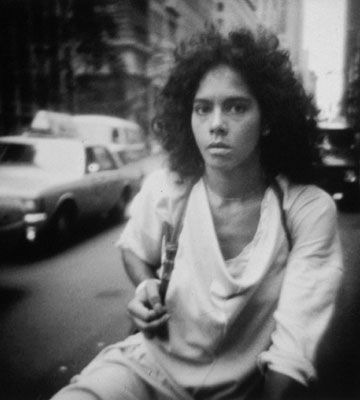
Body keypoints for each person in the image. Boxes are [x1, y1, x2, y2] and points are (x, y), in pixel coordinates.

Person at [51, 27, 343, 400]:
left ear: (268, 119)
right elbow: (134, 249)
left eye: (236, 107)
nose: (216, 123)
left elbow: (291, 356)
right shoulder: (167, 187)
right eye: (203, 108)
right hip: (147, 369)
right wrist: (145, 285)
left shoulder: (305, 209)